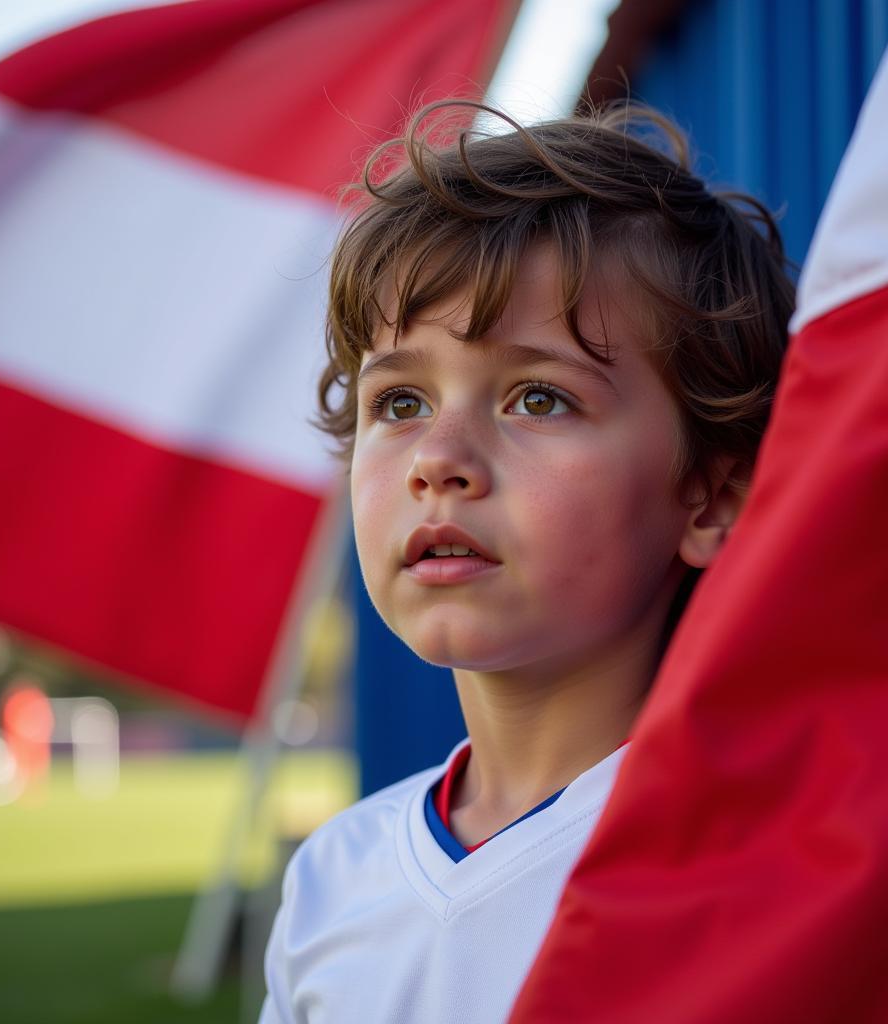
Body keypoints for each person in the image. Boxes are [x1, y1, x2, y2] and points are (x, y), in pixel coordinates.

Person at [260, 98, 794, 1024]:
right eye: (399, 404)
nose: (439, 460)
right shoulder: (329, 883)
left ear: (710, 497)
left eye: (537, 399)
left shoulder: (775, 877)